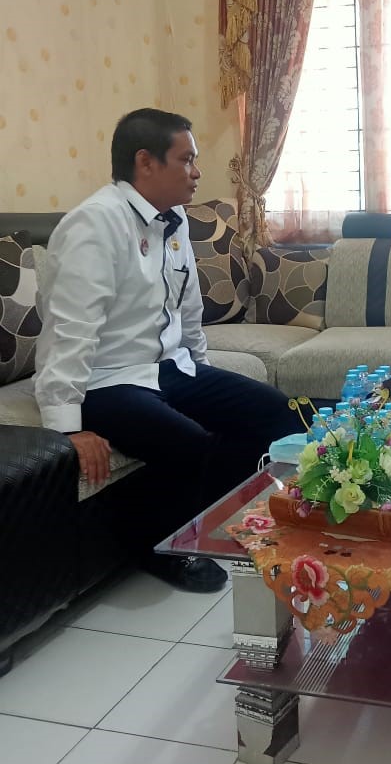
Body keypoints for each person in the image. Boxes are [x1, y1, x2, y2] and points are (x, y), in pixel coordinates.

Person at [35, 108, 300, 591]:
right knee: (187, 442)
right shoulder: (95, 224)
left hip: (168, 368)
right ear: (146, 162)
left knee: (275, 413)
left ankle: (210, 516)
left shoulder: (172, 220)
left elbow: (187, 309)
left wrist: (204, 374)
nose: (197, 172)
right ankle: (158, 549)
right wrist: (66, 426)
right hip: (106, 378)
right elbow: (70, 329)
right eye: (187, 159)